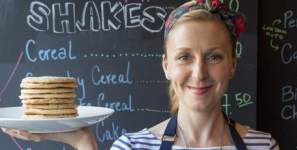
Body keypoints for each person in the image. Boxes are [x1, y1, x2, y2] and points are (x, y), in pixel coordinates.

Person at [2, 0, 279, 150]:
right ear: (166, 66)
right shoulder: (133, 146)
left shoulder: (263, 145)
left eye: (214, 56)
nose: (199, 72)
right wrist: (82, 142)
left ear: (232, 64)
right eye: (184, 57)